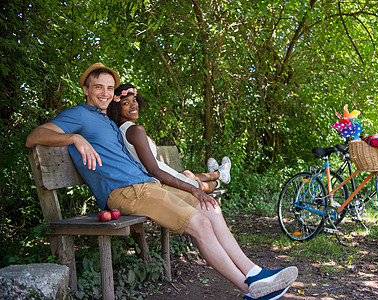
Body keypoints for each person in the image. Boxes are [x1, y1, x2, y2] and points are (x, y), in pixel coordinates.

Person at [25, 62, 298, 300]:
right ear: (86, 89)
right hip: (125, 192)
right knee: (201, 224)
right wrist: (74, 137)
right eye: (98, 87)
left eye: (110, 88)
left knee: (210, 207)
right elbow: (35, 136)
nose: (105, 93)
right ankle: (252, 289)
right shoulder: (79, 115)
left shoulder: (105, 119)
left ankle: (255, 273)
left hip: (147, 186)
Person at [106, 83, 230, 194]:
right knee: (198, 185)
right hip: (160, 177)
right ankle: (218, 180)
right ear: (117, 108)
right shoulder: (135, 130)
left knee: (187, 174)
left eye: (134, 100)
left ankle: (218, 173)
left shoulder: (122, 129)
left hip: (162, 172)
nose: (133, 105)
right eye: (126, 103)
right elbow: (154, 170)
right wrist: (191, 188)